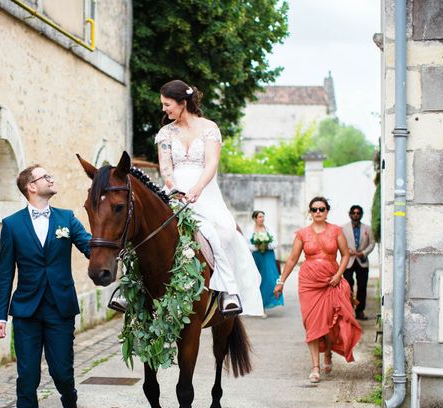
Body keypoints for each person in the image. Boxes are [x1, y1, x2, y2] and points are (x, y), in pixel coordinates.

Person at [0, 164, 92, 408]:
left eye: (51, 174)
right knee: (28, 378)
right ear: (31, 187)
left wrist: (117, 249)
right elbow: (5, 272)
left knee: (62, 373)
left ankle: (71, 407)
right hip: (26, 310)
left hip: (60, 308)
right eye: (44, 176)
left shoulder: (67, 219)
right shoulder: (11, 224)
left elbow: (90, 247)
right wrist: (0, 315)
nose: (52, 178)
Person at [155, 79, 263, 317]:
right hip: (174, 191)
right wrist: (174, 187)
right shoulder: (165, 133)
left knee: (223, 232)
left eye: (167, 104)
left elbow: (212, 162)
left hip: (205, 190)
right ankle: (130, 289)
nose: (164, 109)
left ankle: (228, 291)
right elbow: (165, 167)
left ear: (182, 103)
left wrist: (196, 190)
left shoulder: (209, 128)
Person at [273, 197, 362, 383]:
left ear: (327, 211)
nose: (318, 212)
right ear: (310, 212)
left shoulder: (336, 231)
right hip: (309, 284)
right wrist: (280, 281)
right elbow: (291, 260)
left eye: (322, 209)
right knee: (312, 324)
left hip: (331, 282)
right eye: (314, 209)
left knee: (329, 323)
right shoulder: (302, 234)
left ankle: (328, 352)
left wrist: (339, 274)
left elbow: (345, 255)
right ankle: (315, 367)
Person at [244, 210, 284, 314]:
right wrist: (257, 246)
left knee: (271, 279)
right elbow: (246, 245)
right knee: (258, 280)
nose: (262, 219)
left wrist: (266, 245)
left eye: (263, 217)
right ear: (255, 219)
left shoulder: (269, 229)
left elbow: (276, 243)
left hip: (269, 257)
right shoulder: (249, 230)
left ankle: (270, 301)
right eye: (260, 217)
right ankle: (259, 305)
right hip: (257, 257)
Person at [341, 205, 376, 320]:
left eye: (358, 213)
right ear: (350, 214)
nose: (356, 215)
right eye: (354, 213)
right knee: (347, 286)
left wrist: (364, 253)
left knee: (362, 286)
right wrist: (346, 250)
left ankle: (360, 311)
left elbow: (372, 243)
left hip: (362, 261)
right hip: (348, 261)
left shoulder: (367, 228)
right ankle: (349, 310)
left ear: (361, 215)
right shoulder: (343, 228)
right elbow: (339, 243)